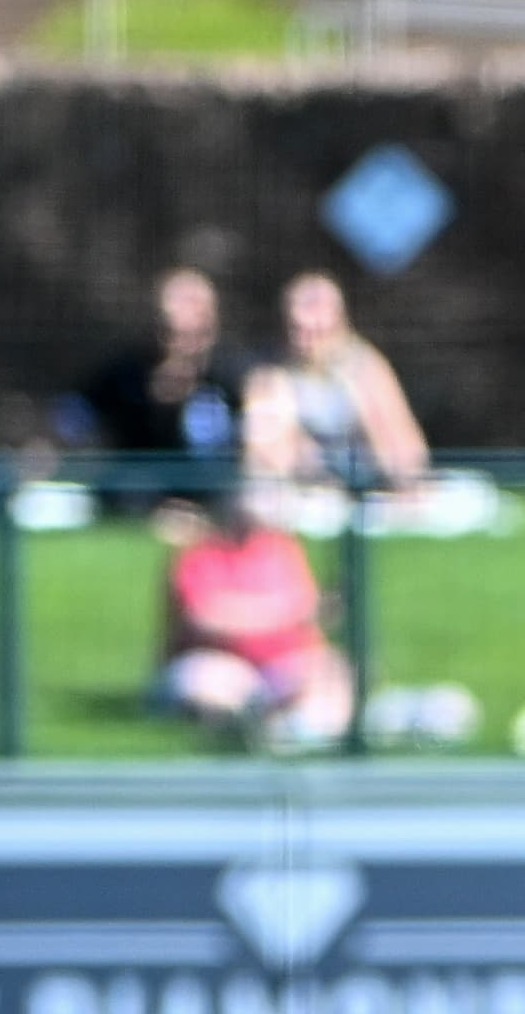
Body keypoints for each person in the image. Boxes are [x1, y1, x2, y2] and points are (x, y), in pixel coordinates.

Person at [152, 483, 353, 750]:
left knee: (333, 670)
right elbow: (205, 617)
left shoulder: (281, 549)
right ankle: (248, 730)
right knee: (210, 684)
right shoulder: (200, 552)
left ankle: (297, 730)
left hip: (281, 662)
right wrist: (281, 613)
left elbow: (308, 608)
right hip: (219, 661)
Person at [70, 265, 254, 510]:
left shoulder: (231, 376)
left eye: (194, 331)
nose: (181, 343)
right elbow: (71, 422)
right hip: (137, 500)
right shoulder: (123, 375)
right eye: (171, 332)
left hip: (215, 501)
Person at [246, 269, 430, 494]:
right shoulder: (268, 376)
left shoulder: (368, 367)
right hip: (301, 497)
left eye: (320, 331)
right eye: (299, 330)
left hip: (370, 496)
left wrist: (366, 411)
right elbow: (263, 463)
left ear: (341, 324)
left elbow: (410, 457)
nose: (308, 342)